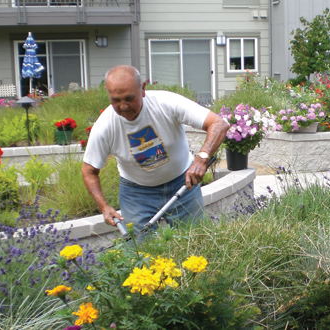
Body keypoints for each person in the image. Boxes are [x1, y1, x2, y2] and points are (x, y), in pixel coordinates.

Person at [82, 65, 229, 233]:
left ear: (143, 89)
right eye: (116, 100)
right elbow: (89, 170)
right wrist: (104, 206)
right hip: (136, 194)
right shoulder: (104, 126)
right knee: (139, 254)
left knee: (197, 242)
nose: (123, 106)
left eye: (129, 98)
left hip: (183, 184)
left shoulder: (166, 103)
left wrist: (202, 159)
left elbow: (218, 124)